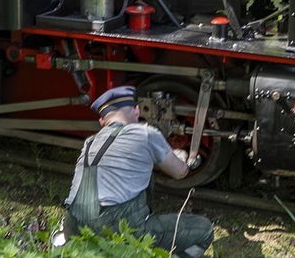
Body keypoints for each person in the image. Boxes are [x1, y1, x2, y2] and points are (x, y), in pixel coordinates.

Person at [62, 86, 214, 257]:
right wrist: (181, 157)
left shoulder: (90, 142)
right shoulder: (145, 133)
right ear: (136, 110)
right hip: (116, 225)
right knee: (204, 229)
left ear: (102, 122)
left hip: (73, 226)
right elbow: (179, 172)